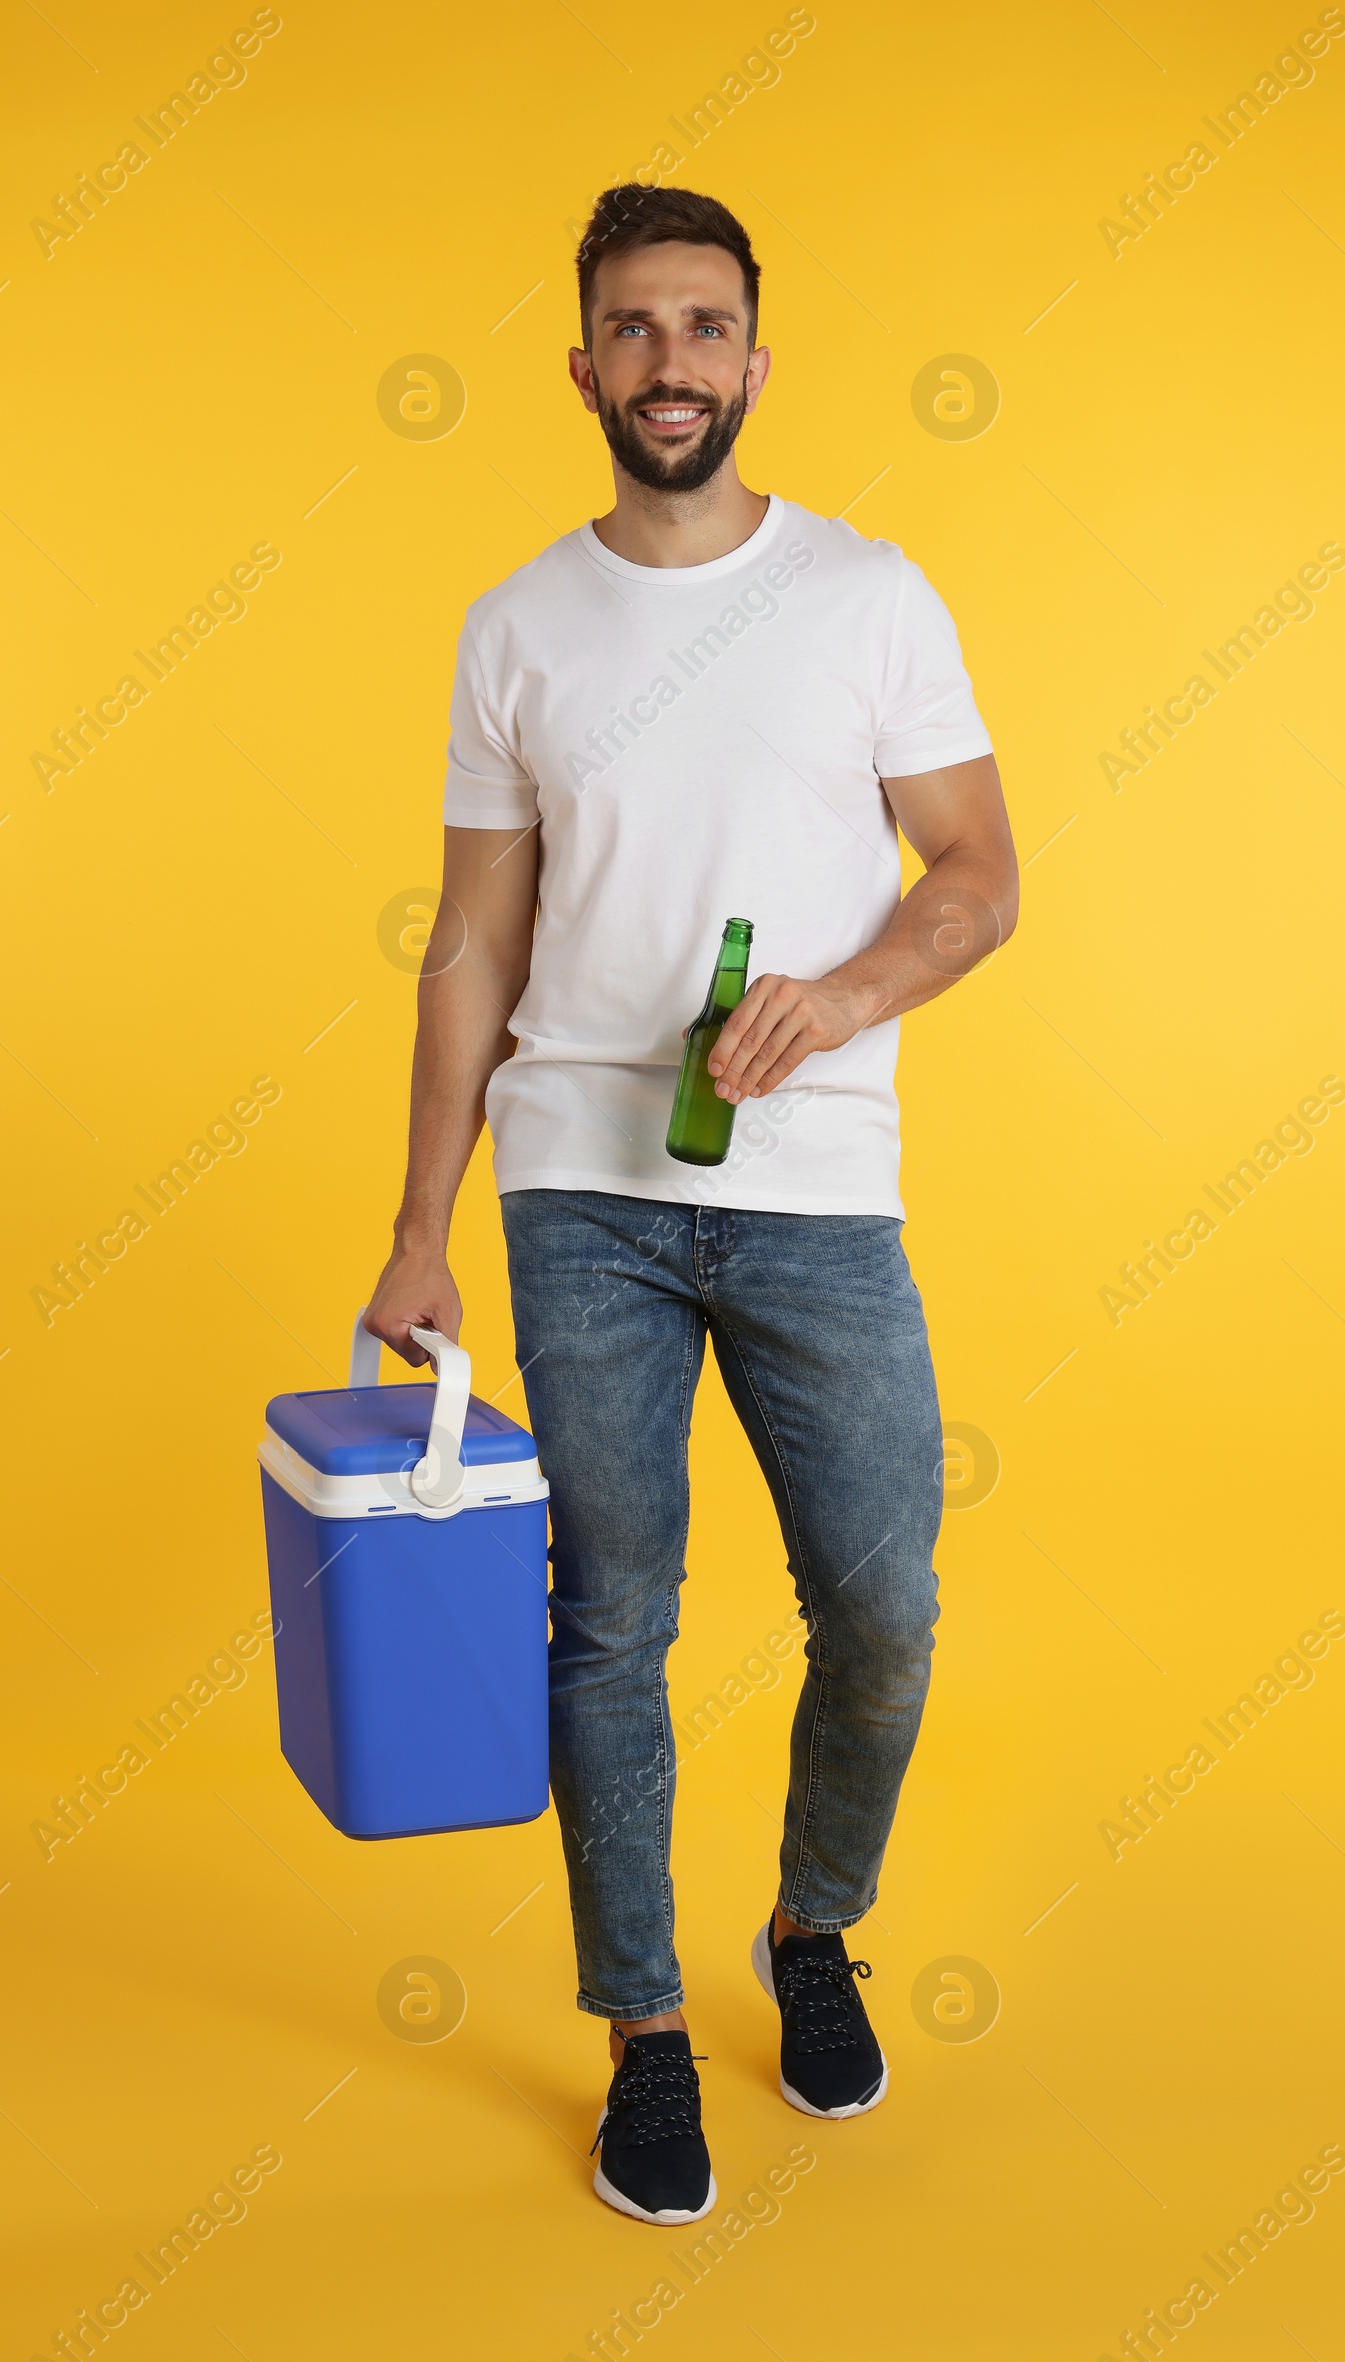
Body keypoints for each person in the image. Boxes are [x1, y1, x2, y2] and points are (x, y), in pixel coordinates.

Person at [364, 184, 1018, 2226]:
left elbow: (976, 876)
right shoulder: (513, 626)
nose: (669, 362)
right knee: (607, 1629)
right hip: (583, 1196)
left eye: (703, 327)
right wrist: (417, 1219)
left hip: (815, 1193)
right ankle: (643, 2038)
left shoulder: (868, 594)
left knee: (881, 1612)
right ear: (583, 366)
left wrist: (836, 999)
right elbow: (472, 944)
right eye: (632, 330)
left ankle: (809, 1927)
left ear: (753, 357)